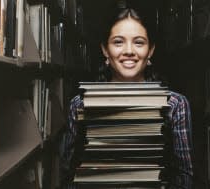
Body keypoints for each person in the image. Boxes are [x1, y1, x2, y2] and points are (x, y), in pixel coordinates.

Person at [59, 7, 193, 189]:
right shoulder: (80, 105)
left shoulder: (175, 105)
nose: (129, 51)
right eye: (118, 42)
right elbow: (69, 173)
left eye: (139, 42)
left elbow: (184, 177)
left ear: (151, 50)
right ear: (105, 50)